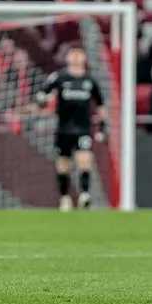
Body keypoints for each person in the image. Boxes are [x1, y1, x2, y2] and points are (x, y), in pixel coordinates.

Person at [36, 47, 107, 212]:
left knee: (84, 161)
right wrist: (43, 100)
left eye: (79, 53)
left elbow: (101, 105)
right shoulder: (60, 77)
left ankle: (85, 195)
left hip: (83, 129)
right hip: (64, 129)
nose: (75, 57)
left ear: (84, 58)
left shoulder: (90, 81)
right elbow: (42, 93)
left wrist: (103, 128)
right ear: (67, 58)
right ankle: (65, 198)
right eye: (72, 53)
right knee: (63, 166)